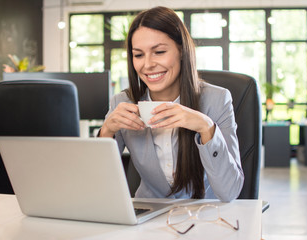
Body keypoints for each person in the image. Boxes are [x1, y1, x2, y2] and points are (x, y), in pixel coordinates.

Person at [99, 6, 244, 202]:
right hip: (147, 216)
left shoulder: (216, 100)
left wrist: (206, 127)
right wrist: (106, 131)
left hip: (204, 216)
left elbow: (230, 191)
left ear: (182, 51)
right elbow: (96, 184)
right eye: (139, 55)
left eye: (158, 52)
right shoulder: (122, 102)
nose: (147, 64)